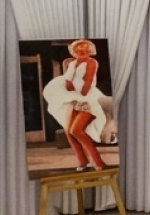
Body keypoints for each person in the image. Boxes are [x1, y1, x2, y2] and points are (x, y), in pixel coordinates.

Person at [42, 39, 109, 172]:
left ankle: (99, 162)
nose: (82, 53)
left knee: (76, 130)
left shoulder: (91, 62)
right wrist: (71, 91)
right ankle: (83, 161)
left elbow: (88, 82)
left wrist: (81, 96)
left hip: (87, 98)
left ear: (90, 51)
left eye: (85, 50)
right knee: (69, 131)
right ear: (74, 52)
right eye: (79, 51)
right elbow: (68, 81)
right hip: (72, 98)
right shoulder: (71, 63)